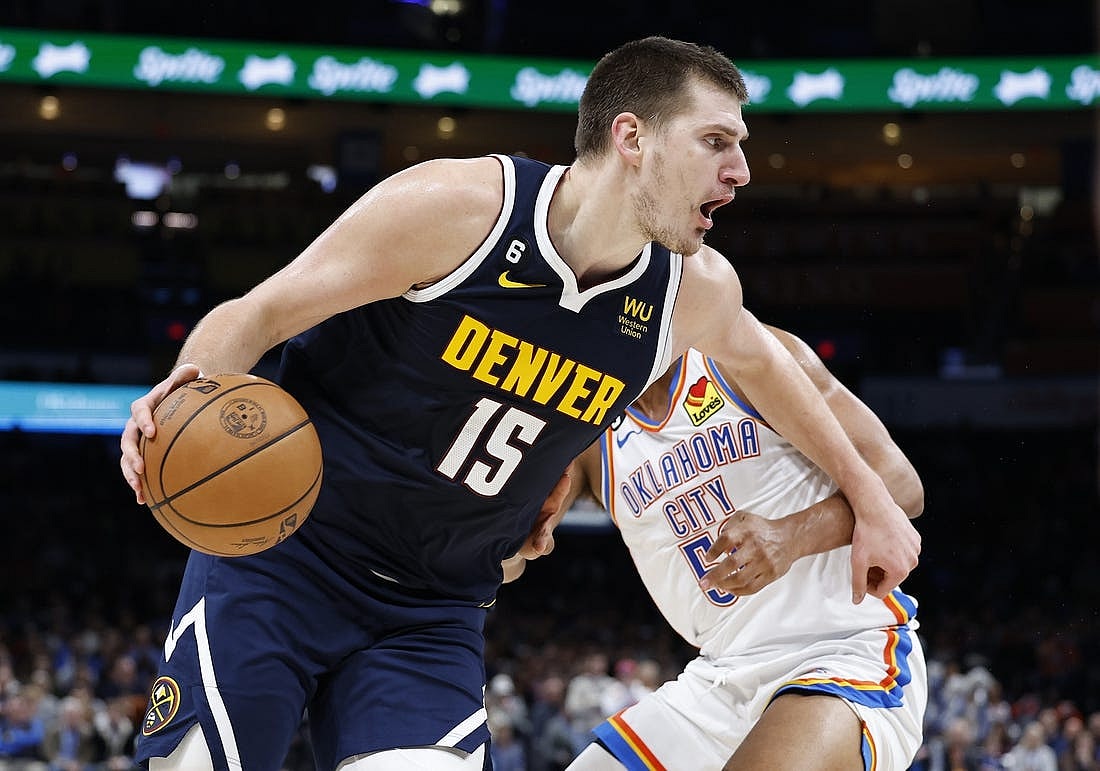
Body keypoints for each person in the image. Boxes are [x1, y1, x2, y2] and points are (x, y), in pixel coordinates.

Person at [118, 36, 920, 771]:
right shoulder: (459, 209)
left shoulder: (694, 292)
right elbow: (258, 314)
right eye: (717, 142)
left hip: (428, 610)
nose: (741, 170)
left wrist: (867, 494)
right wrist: (187, 394)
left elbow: (771, 364)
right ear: (631, 138)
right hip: (288, 558)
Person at [508, 328, 928, 770]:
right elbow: (511, 556)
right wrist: (508, 540)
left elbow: (901, 483)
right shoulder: (592, 428)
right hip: (717, 680)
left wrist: (792, 535)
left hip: (843, 653)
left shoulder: (742, 358)